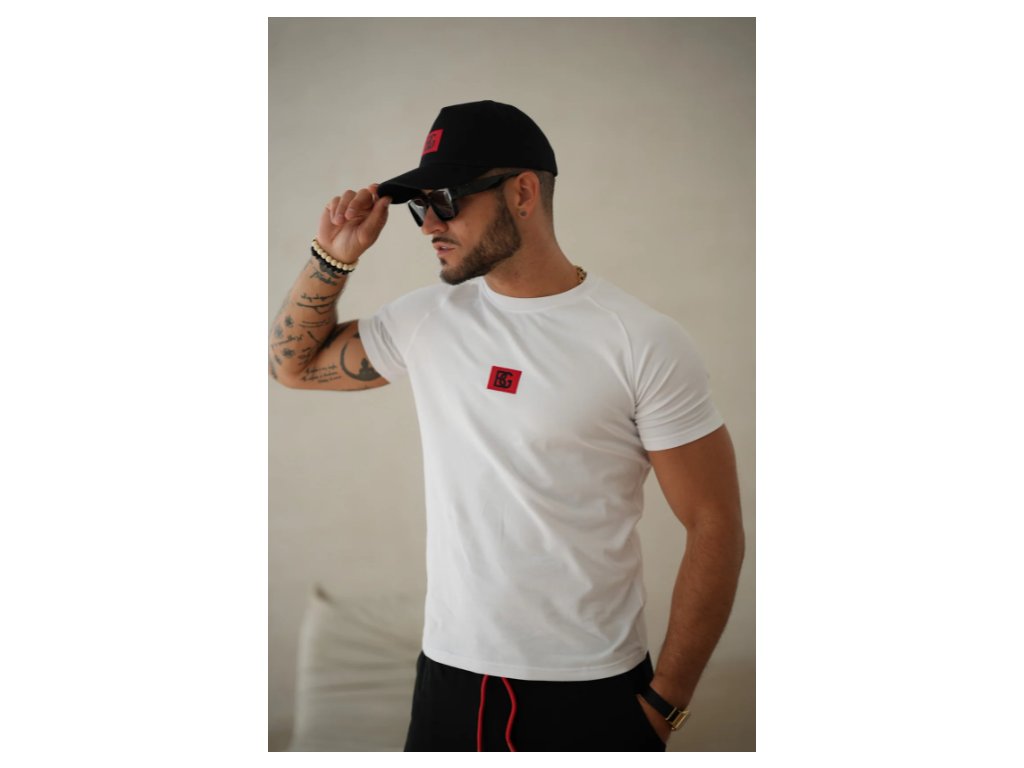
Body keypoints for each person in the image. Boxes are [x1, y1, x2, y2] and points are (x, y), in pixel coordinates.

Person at [270, 100, 744, 752]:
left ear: (522, 192)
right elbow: (292, 368)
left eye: (445, 199)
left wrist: (666, 703)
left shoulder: (640, 341)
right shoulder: (426, 320)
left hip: (591, 691)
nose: (429, 223)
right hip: (447, 679)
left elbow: (715, 523)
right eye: (419, 205)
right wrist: (334, 256)